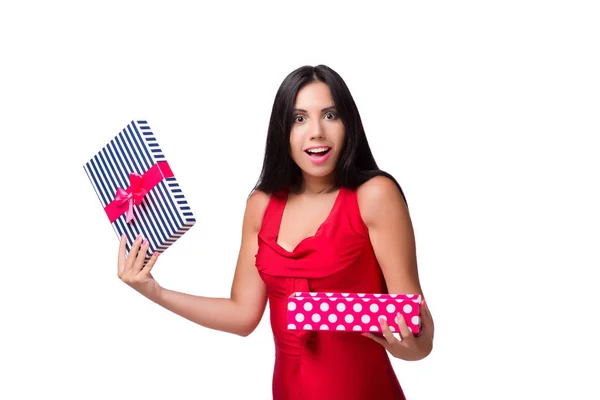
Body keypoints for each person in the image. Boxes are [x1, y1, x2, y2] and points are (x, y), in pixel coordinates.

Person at [117, 64, 434, 400]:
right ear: (282, 130)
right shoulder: (261, 205)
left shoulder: (375, 196)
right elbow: (242, 315)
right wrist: (156, 292)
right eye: (299, 119)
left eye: (330, 115)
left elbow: (419, 337)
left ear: (348, 124)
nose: (316, 132)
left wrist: (406, 346)